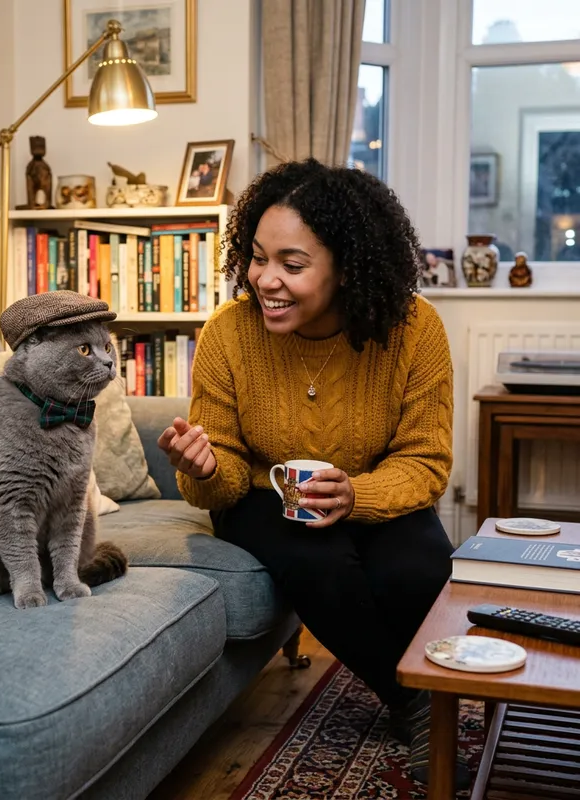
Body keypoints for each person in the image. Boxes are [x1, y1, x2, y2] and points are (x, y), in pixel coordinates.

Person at [157, 158, 464, 788]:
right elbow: (222, 477)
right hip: (259, 497)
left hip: (370, 488)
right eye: (257, 256)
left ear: (347, 268)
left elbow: (426, 460)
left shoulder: (413, 329)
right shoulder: (227, 334)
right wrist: (205, 466)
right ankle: (414, 699)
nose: (264, 279)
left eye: (291, 265)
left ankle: (421, 690)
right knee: (314, 557)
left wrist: (357, 495)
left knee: (421, 566)